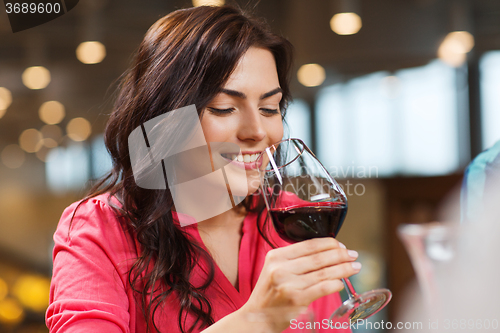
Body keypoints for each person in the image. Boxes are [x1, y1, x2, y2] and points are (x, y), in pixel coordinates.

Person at [45, 5, 359, 333]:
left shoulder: (291, 220)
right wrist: (257, 321)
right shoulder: (99, 228)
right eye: (224, 109)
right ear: (166, 120)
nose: (257, 131)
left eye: (269, 108)